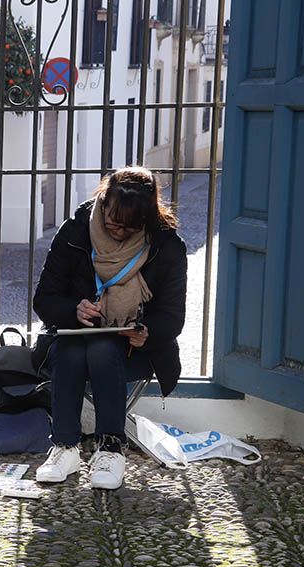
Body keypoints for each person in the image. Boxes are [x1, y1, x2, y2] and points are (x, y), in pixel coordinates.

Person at [32, 166, 187, 490]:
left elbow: (172, 316)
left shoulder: (166, 245)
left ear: (146, 219)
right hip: (75, 337)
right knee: (72, 350)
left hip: (136, 349)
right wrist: (73, 309)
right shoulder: (76, 231)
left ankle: (111, 449)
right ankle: (64, 447)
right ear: (102, 203)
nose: (117, 231)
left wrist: (147, 332)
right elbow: (44, 299)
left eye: (128, 228)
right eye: (112, 222)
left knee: (102, 350)